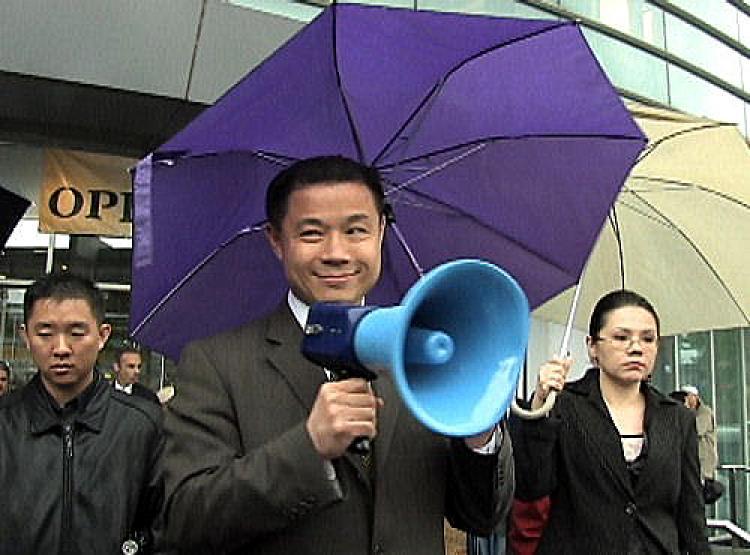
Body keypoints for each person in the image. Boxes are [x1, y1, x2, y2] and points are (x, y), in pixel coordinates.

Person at [160, 155, 514, 554]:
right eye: (312, 234)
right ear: (276, 240)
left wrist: (478, 431)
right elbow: (185, 518)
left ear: (381, 231)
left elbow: (482, 516)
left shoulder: (422, 355)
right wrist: (308, 447)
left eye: (356, 230)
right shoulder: (216, 364)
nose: (337, 253)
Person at [511, 289, 709, 554]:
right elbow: (531, 485)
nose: (636, 348)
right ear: (593, 346)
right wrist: (540, 403)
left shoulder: (677, 418)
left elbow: (691, 517)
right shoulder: (563, 405)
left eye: (648, 339)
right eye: (621, 337)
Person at [0, 273, 165, 554]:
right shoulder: (5, 423)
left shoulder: (142, 425)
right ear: (25, 337)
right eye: (45, 333)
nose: (61, 348)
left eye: (76, 333)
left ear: (102, 336)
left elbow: (165, 527)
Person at [681, 385, 719, 484]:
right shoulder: (686, 413)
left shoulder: (705, 412)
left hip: (704, 461)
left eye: (688, 396)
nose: (686, 400)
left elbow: (696, 429)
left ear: (695, 397)